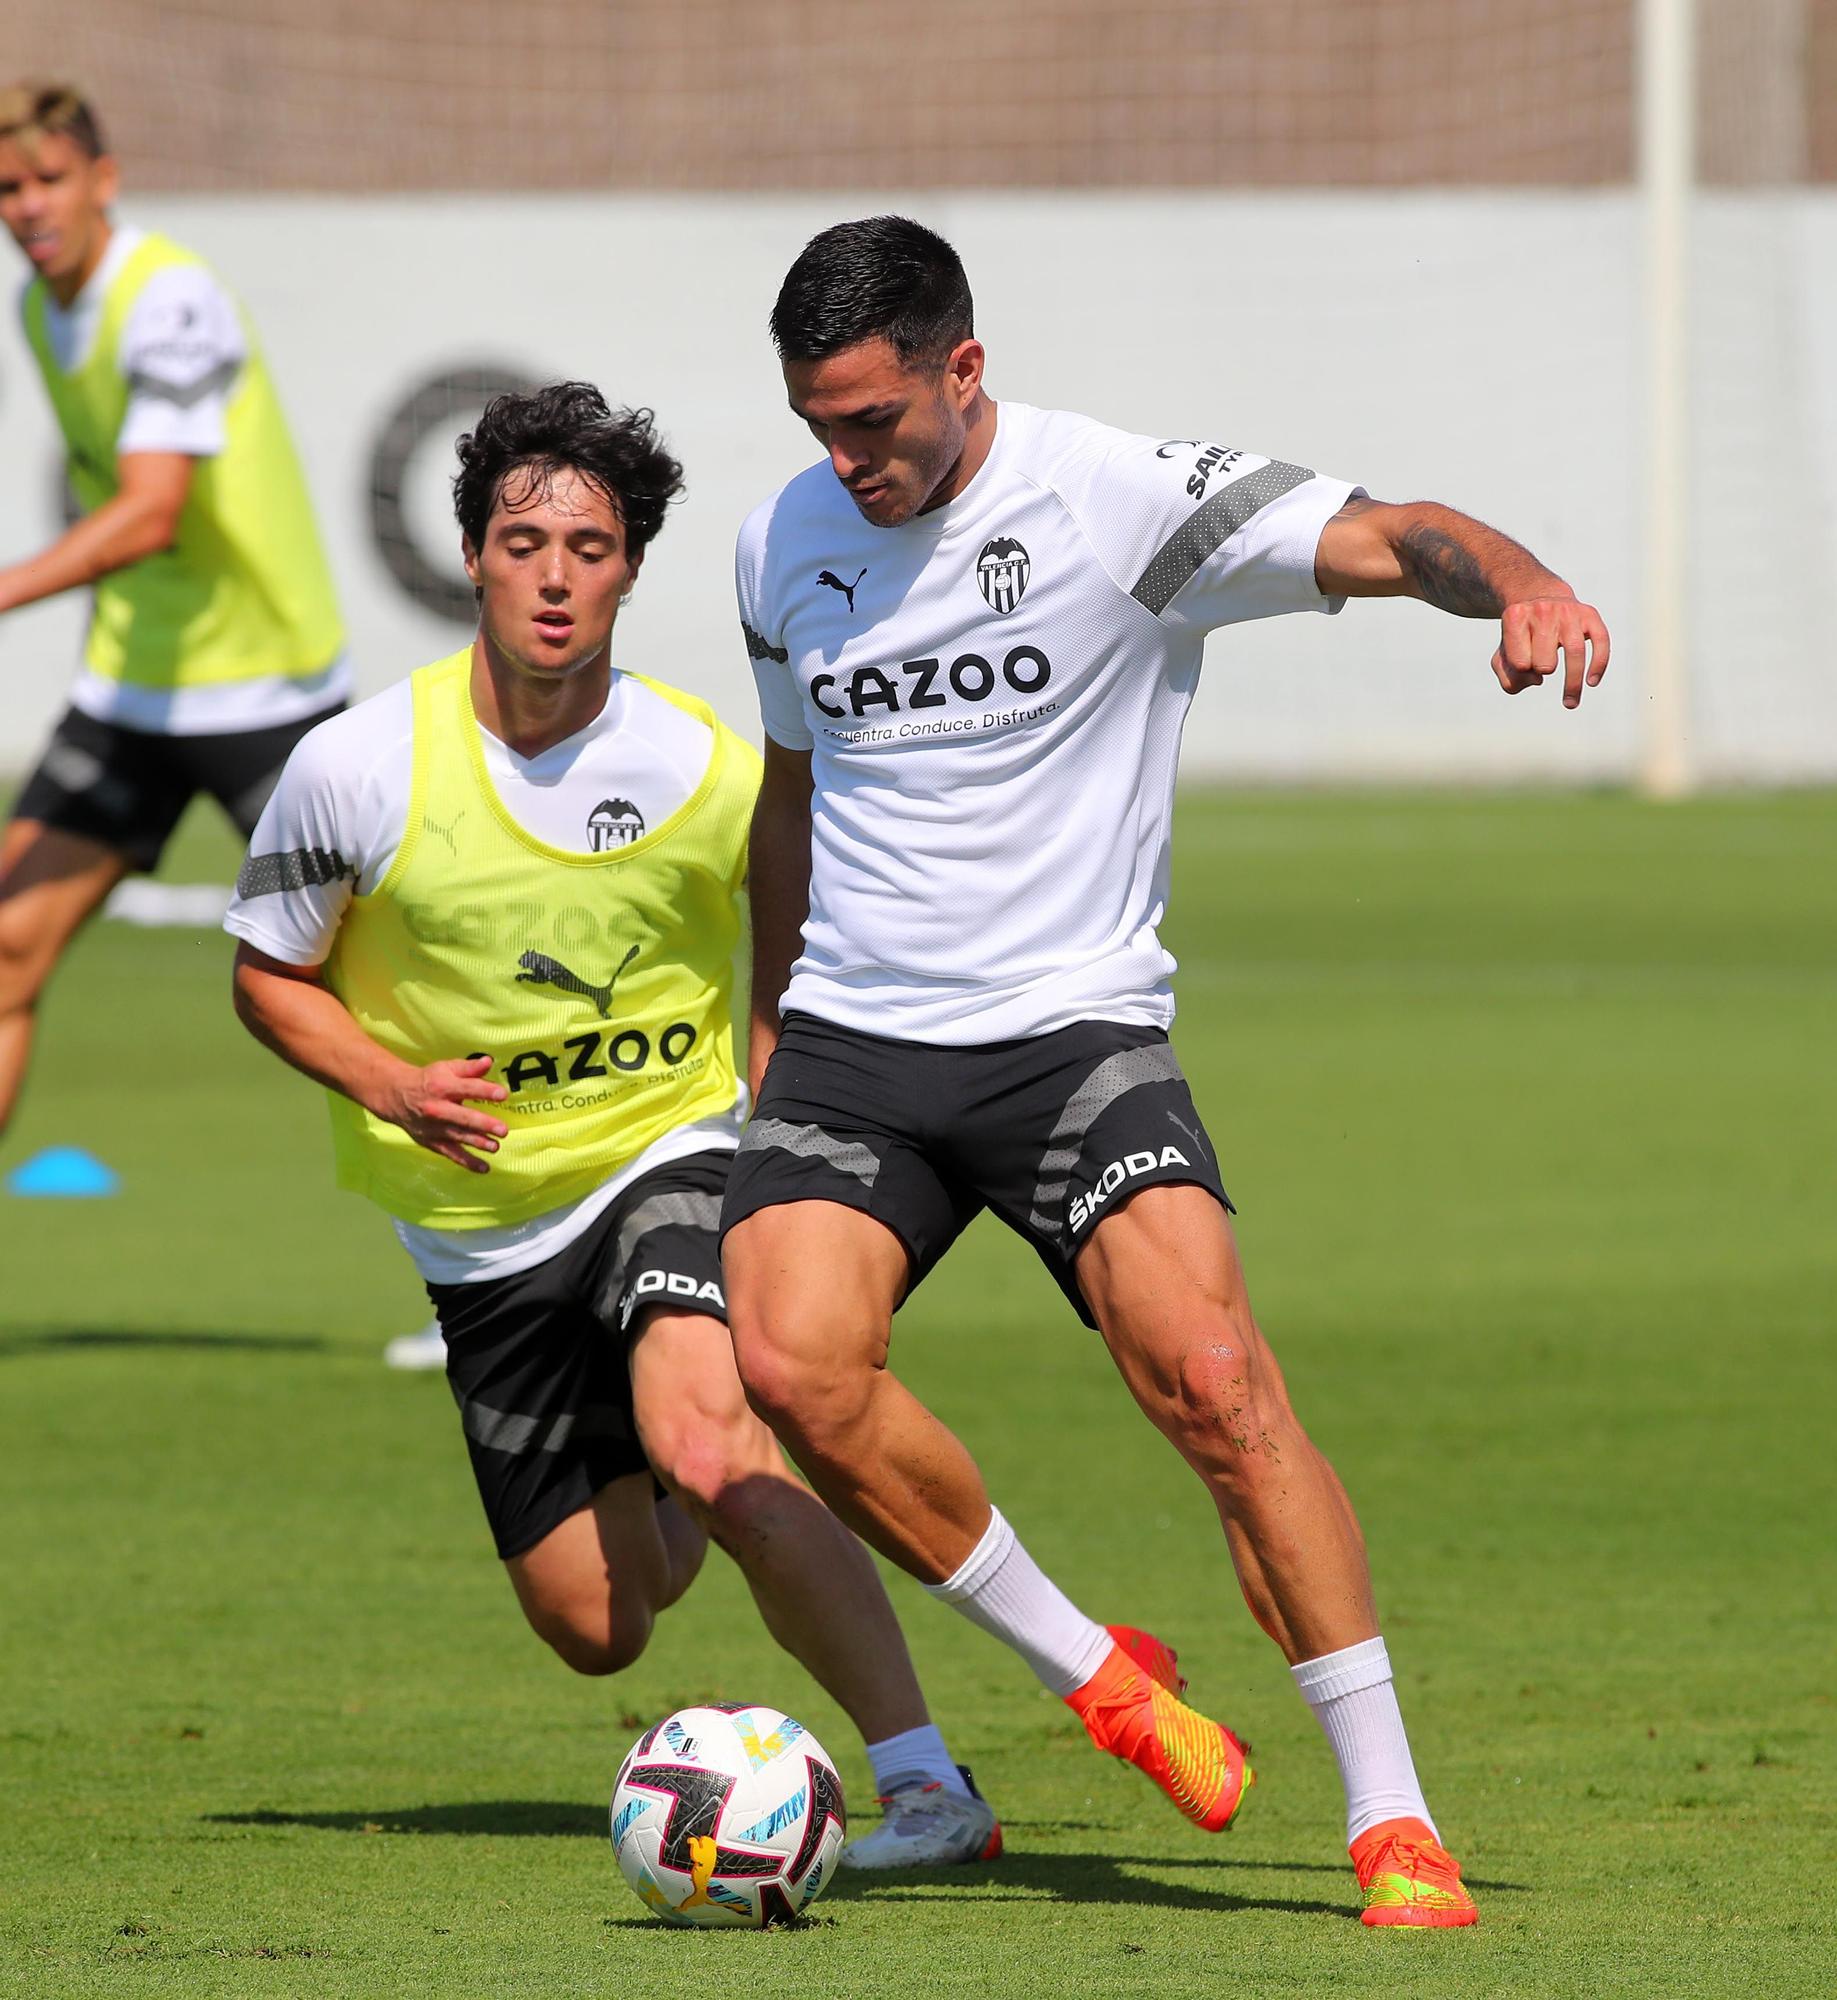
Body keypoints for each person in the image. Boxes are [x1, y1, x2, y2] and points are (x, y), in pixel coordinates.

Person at [721, 216, 1613, 1927]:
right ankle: (1099, 1682)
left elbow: (1390, 531)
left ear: (961, 371)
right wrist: (770, 1016)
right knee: (792, 1361)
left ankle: (1388, 1816)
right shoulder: (782, 538)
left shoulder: (1120, 497)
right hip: (857, 1043)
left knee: (1213, 1381)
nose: (846, 462)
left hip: (1070, 1039)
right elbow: (790, 788)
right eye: (817, 427)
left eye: (871, 423)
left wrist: (1520, 588)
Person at [222, 380, 1002, 1872]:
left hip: (669, 1154)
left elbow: (806, 933)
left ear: (631, 565)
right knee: (599, 1624)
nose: (557, 572)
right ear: (472, 555)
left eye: (590, 543)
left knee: (717, 1444)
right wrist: (386, 1083)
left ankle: (923, 1785)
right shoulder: (355, 769)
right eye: (525, 540)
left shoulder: (702, 766)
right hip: (478, 1230)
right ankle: (670, 1454)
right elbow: (270, 978)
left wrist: (780, 1098)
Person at [0, 83, 345, 1139]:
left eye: (49, 179)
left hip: (263, 687)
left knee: (386, 989)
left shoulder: (168, 300)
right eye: (7, 188)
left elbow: (150, 513)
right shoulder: (37, 306)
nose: (28, 206)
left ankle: (485, 1291)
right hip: (135, 684)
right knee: (8, 949)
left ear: (103, 180)